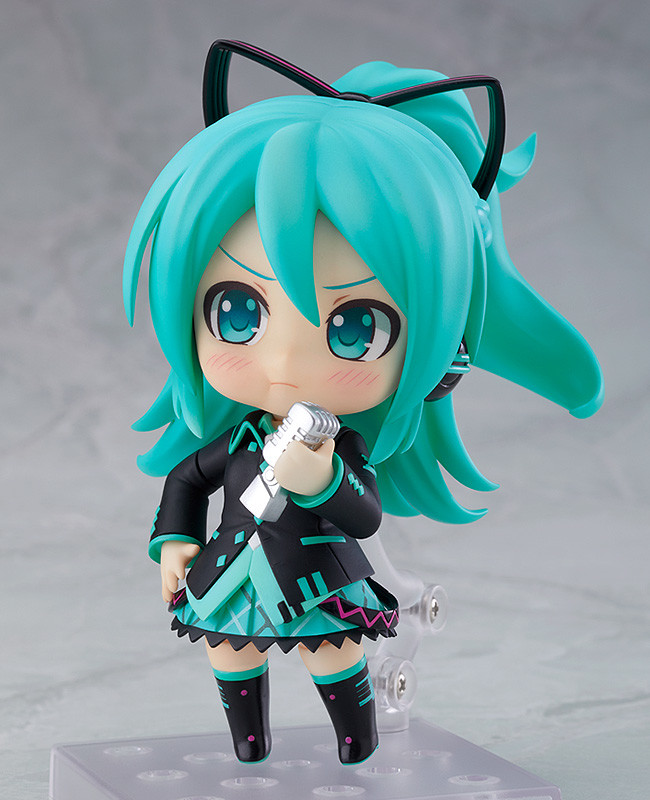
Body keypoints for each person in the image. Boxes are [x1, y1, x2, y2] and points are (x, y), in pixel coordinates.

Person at [123, 42, 603, 765]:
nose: (285, 366)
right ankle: (249, 748)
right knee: (229, 654)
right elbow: (188, 479)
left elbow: (365, 513)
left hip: (317, 578)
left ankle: (357, 745)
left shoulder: (335, 444)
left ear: (443, 354)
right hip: (229, 572)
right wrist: (173, 542)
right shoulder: (242, 438)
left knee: (333, 658)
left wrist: (321, 480)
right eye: (237, 313)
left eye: (353, 329)